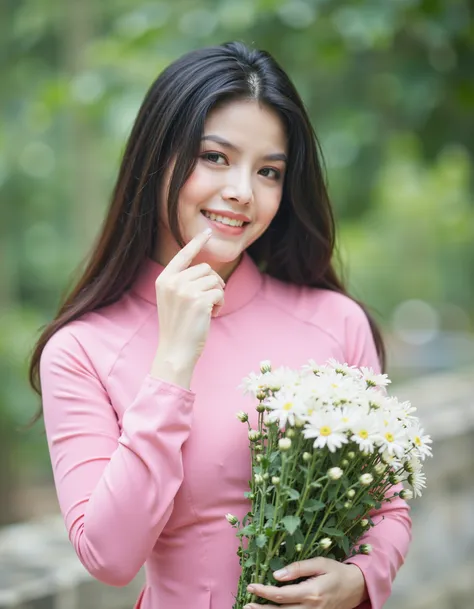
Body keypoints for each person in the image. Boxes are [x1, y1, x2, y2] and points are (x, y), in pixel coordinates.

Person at [29, 42, 411, 609]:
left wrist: (359, 579)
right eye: (214, 157)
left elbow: (387, 510)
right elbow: (109, 557)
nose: (242, 191)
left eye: (269, 171)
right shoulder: (82, 350)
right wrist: (173, 363)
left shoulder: (336, 323)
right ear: (157, 157)